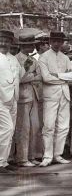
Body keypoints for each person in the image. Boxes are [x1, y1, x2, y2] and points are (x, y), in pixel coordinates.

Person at [38, 30, 72, 167]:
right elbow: (46, 78)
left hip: (64, 94)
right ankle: (47, 156)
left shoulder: (65, 58)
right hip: (50, 95)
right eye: (54, 41)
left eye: (60, 41)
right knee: (48, 126)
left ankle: (57, 154)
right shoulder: (43, 57)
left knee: (64, 126)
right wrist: (64, 78)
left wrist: (58, 75)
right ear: (50, 42)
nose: (57, 44)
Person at [14, 34, 42, 167]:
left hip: (34, 95)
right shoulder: (16, 60)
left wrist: (31, 76)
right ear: (22, 46)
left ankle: (32, 155)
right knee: (23, 129)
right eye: (29, 45)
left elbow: (40, 76)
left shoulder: (33, 59)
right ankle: (22, 158)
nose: (32, 47)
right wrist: (32, 75)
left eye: (32, 44)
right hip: (22, 97)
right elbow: (20, 79)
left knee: (35, 127)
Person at [0, 29, 21, 174]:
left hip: (13, 98)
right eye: (1, 40)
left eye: (6, 41)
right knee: (6, 129)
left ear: (10, 43)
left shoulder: (13, 58)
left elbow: (21, 76)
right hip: (0, 99)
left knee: (10, 130)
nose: (3, 43)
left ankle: (4, 161)